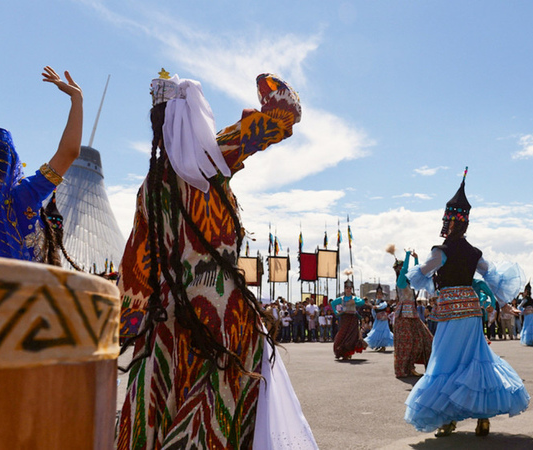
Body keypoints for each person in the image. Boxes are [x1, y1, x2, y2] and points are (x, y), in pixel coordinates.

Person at [116, 71, 316, 449]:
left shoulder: (150, 187)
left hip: (168, 319)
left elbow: (136, 269)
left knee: (161, 406)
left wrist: (126, 326)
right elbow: (284, 113)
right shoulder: (213, 159)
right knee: (216, 407)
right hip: (222, 317)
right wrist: (267, 82)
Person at [404, 169, 529, 437]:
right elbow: (493, 277)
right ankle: (482, 418)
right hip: (471, 312)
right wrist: (504, 303)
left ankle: (448, 419)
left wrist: (414, 265)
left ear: (448, 223)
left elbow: (419, 274)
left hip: (450, 313)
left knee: (446, 361)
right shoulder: (474, 252)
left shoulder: (442, 251)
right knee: (474, 359)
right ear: (466, 225)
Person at [0, 67, 82, 263]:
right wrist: (76, 99)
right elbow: (69, 153)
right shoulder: (23, 198)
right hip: (14, 291)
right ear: (12, 163)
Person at [392, 250, 433, 378]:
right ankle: (406, 369)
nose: (402, 270)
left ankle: (416, 367)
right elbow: (405, 271)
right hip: (403, 316)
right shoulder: (400, 282)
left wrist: (416, 259)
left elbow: (417, 273)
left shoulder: (409, 283)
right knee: (406, 343)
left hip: (413, 315)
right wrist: (407, 256)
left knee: (425, 338)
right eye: (400, 268)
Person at [330, 279, 367, 360]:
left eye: (350, 288)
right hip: (344, 318)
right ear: (344, 289)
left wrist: (355, 302)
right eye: (347, 288)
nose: (348, 290)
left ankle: (348, 353)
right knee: (342, 334)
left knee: (352, 336)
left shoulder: (354, 298)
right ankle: (341, 351)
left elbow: (362, 302)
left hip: (353, 319)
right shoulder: (341, 299)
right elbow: (332, 303)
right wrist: (336, 313)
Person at [364, 286, 394, 351]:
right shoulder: (375, 302)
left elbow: (383, 305)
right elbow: (373, 311)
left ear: (382, 295)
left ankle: (383, 346)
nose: (379, 296)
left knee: (383, 331)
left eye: (380, 294)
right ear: (376, 295)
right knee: (376, 331)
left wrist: (376, 307)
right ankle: (379, 345)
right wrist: (374, 312)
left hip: (383, 320)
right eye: (378, 294)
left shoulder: (383, 302)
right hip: (378, 319)